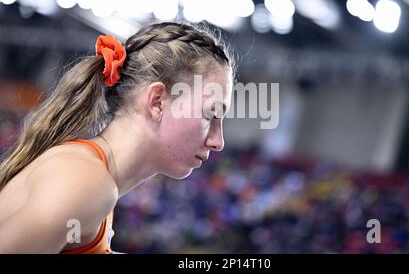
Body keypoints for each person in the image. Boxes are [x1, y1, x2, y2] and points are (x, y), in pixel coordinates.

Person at [0, 22, 236, 253]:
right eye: (210, 114)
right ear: (157, 101)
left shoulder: (92, 176)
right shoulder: (86, 181)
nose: (218, 141)